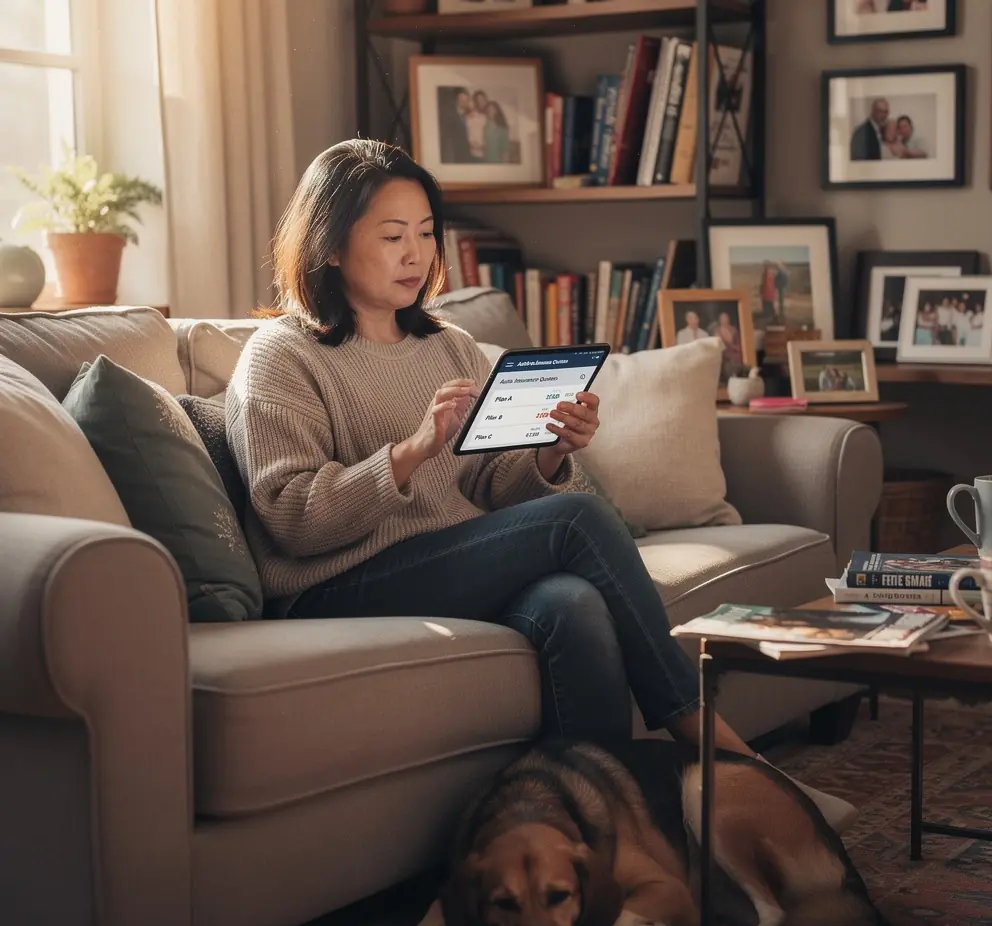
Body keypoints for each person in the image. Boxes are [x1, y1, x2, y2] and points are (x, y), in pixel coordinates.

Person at [225, 138, 857, 833]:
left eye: (428, 234)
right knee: (576, 521)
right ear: (332, 245)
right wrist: (409, 452)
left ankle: (607, 834)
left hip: (442, 563)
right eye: (393, 235)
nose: (417, 254)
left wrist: (551, 455)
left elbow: (493, 487)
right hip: (333, 584)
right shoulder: (281, 356)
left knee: (572, 602)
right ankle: (728, 756)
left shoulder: (448, 345)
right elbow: (291, 517)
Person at [439, 88, 472, 164]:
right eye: (461, 99)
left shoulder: (466, 115)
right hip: (454, 152)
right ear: (456, 100)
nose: (463, 102)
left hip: (465, 153)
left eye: (465, 100)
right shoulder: (449, 114)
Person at [465, 89, 489, 161]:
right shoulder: (470, 117)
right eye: (478, 100)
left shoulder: (488, 116)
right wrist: (473, 145)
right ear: (475, 102)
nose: (481, 103)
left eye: (482, 100)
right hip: (475, 155)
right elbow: (466, 134)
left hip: (488, 154)